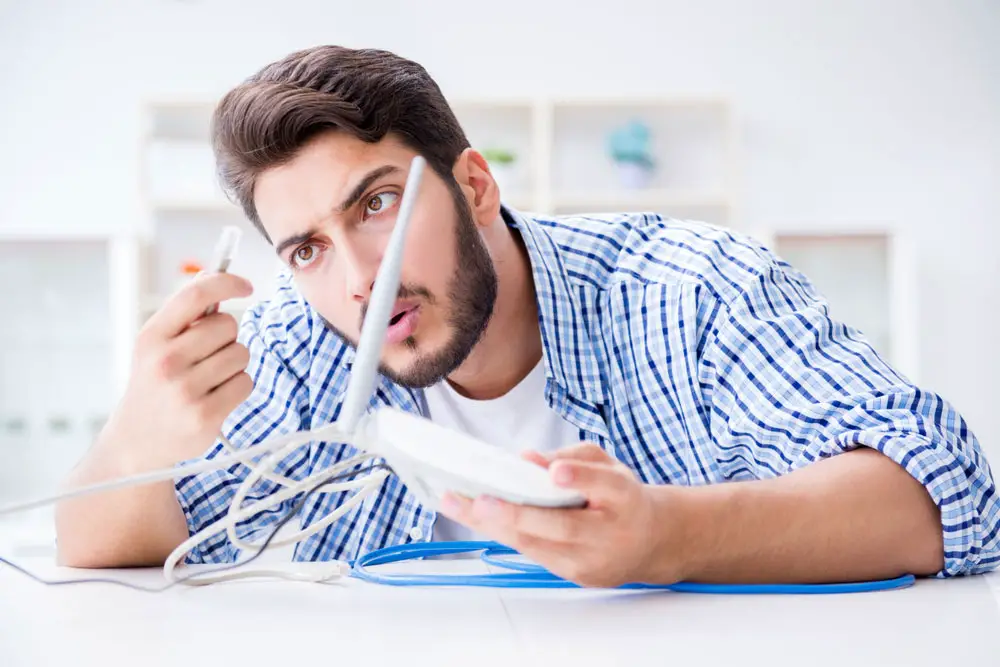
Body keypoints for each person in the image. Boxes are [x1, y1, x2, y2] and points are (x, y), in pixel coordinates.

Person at [54, 45, 999, 587]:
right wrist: (139, 433)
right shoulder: (304, 345)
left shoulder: (689, 288)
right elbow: (95, 541)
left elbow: (949, 495)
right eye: (305, 248)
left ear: (474, 184)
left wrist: (672, 535)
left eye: (375, 205)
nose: (355, 276)